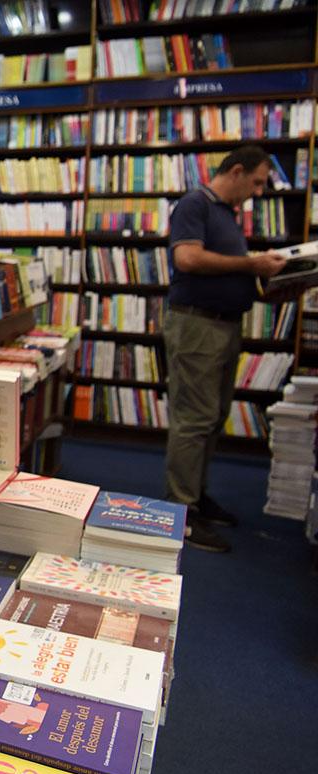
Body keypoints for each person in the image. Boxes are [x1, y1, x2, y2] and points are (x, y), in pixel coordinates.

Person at [164, 145, 286, 553]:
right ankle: (181, 511)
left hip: (222, 325)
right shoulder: (195, 204)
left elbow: (222, 269)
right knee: (193, 418)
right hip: (198, 325)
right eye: (256, 182)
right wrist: (251, 264)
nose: (258, 192)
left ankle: (196, 496)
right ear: (236, 171)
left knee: (213, 416)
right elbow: (188, 258)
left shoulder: (226, 214)